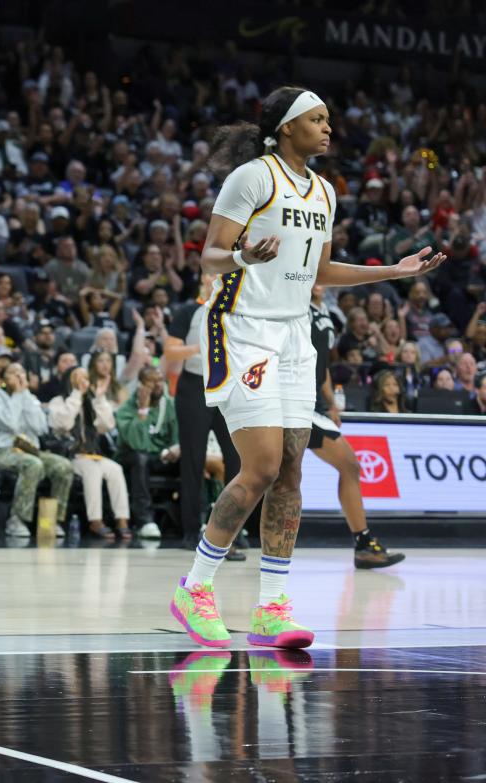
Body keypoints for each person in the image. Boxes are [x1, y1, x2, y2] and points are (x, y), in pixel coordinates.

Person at [172, 86, 445, 650]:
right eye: (317, 119)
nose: (327, 128)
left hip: (296, 333)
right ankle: (195, 589)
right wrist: (244, 256)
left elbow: (319, 269)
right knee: (263, 466)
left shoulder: (323, 190)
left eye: (329, 119)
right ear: (287, 127)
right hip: (245, 329)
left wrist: (390, 271)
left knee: (293, 471)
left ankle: (272, 607)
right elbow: (211, 255)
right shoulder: (252, 177)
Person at [308, 284, 404, 569]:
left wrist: (330, 403)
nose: (319, 278)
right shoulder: (295, 306)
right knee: (266, 476)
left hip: (313, 406)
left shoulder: (324, 312)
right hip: (293, 402)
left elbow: (321, 364)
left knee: (349, 467)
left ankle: (363, 545)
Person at [165, 272, 251, 558]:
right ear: (203, 279)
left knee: (236, 461)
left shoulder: (236, 311)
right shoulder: (188, 311)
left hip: (227, 388)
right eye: (211, 274)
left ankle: (231, 531)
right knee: (193, 460)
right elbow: (169, 351)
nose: (216, 278)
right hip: (194, 388)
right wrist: (201, 347)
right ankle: (191, 530)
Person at [0, 361, 74, 538]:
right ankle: (17, 520)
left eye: (21, 372)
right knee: (33, 465)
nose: (18, 376)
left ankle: (53, 520)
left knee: (64, 466)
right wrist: (18, 395)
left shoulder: (29, 397)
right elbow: (12, 424)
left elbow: (40, 428)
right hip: (2, 452)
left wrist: (25, 396)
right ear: (3, 379)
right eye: (12, 373)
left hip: (31, 451)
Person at [48, 366, 130, 540]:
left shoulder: (91, 402)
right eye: (77, 377)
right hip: (71, 456)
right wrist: (76, 395)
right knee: (92, 471)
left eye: (85, 377)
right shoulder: (59, 401)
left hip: (93, 455)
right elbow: (64, 423)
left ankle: (122, 520)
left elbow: (107, 425)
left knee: (115, 469)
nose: (82, 381)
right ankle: (95, 521)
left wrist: (100, 397)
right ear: (68, 380)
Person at [114, 366, 180, 539]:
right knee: (140, 458)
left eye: (160, 380)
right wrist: (142, 410)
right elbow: (137, 444)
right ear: (141, 385)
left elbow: (178, 437)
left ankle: (197, 519)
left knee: (191, 459)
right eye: (152, 381)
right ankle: (145, 521)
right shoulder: (127, 409)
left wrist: (176, 448)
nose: (158, 385)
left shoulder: (170, 404)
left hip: (162, 456)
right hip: (131, 457)